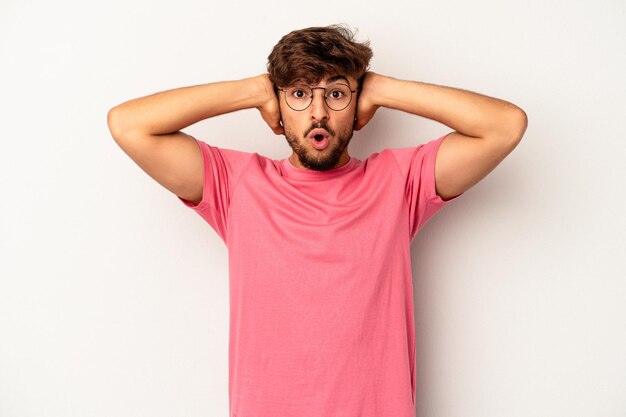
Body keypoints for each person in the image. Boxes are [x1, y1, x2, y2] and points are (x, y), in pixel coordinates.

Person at [107, 24, 527, 417]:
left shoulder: (398, 181)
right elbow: (128, 125)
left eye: (337, 95)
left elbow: (505, 126)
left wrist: (383, 88)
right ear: (279, 106)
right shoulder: (236, 184)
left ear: (358, 106)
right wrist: (251, 91)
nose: (319, 112)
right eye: (300, 94)